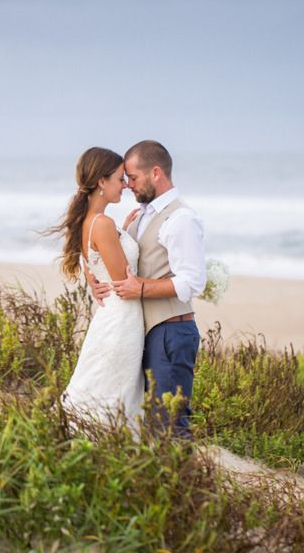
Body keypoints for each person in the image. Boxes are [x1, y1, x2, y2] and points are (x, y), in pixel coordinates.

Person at [89, 140, 206, 438]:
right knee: (149, 423)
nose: (128, 185)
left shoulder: (181, 218)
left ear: (156, 173)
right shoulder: (141, 216)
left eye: (133, 177)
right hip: (144, 333)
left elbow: (192, 281)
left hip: (171, 332)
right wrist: (96, 279)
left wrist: (139, 288)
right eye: (125, 178)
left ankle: (185, 471)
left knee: (171, 425)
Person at [48, 147, 145, 425]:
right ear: (102, 181)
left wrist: (122, 233)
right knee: (113, 391)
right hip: (122, 318)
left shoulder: (91, 222)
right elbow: (123, 279)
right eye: (119, 178)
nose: (125, 185)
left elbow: (101, 267)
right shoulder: (102, 224)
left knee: (105, 386)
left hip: (113, 314)